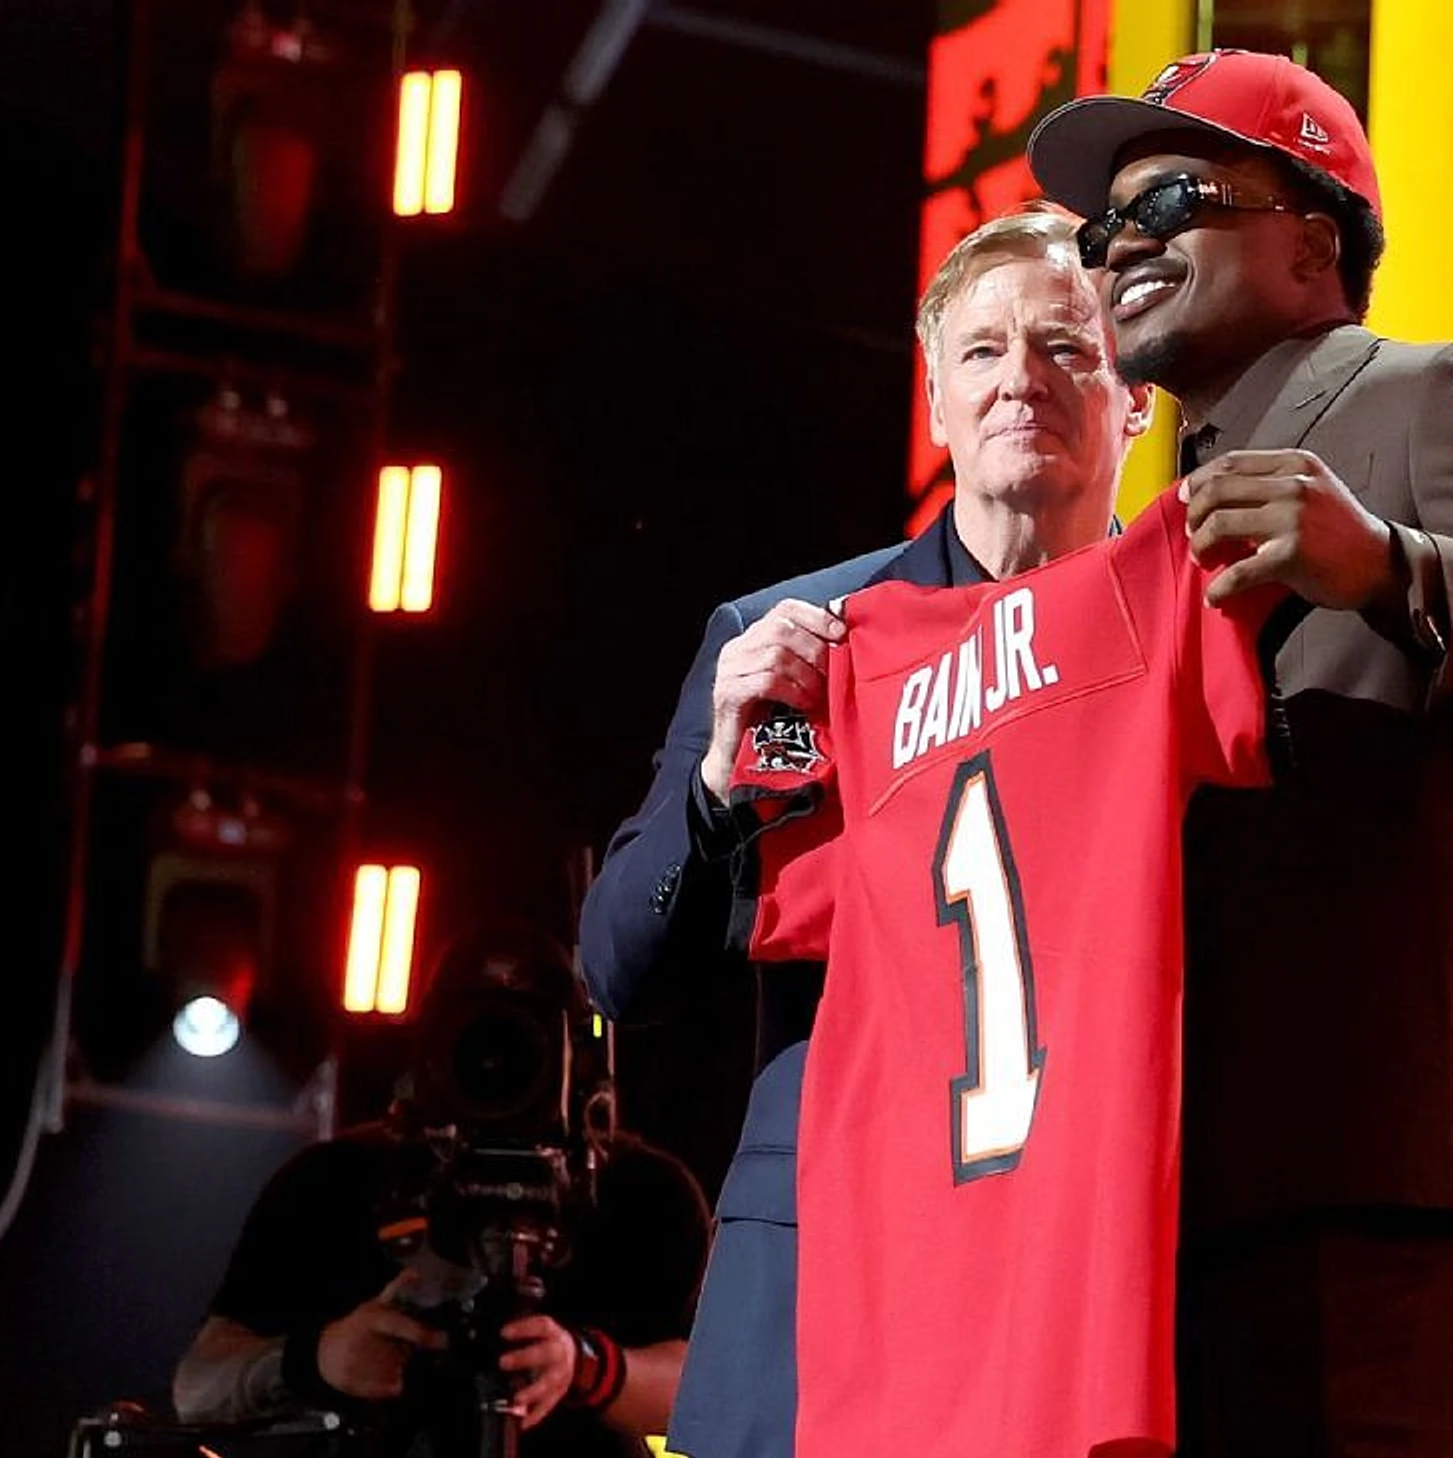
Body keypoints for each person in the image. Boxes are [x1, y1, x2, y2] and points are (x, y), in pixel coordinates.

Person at [1025, 49, 1453, 1456]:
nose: (1126, 247)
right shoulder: (1138, 547)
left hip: (1398, 1184)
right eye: (1106, 229)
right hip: (1200, 1204)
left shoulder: (1433, 397)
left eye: (1172, 201)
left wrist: (1397, 567)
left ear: (1312, 239)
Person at [576, 206, 1151, 1458]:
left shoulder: (1170, 633)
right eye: (983, 350)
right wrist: (716, 787)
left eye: (1067, 346)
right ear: (934, 398)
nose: (1021, 380)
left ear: (1138, 396)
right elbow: (621, 969)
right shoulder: (792, 640)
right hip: (824, 1260)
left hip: (1079, 1249)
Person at [171, 922, 710, 1457]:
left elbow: (714, 1389)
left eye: (527, 1035)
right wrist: (318, 1359)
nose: (498, 1061)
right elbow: (197, 1388)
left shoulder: (643, 1194)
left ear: (577, 1052)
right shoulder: (332, 1181)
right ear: (428, 1041)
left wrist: (587, 1367)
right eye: (477, 1033)